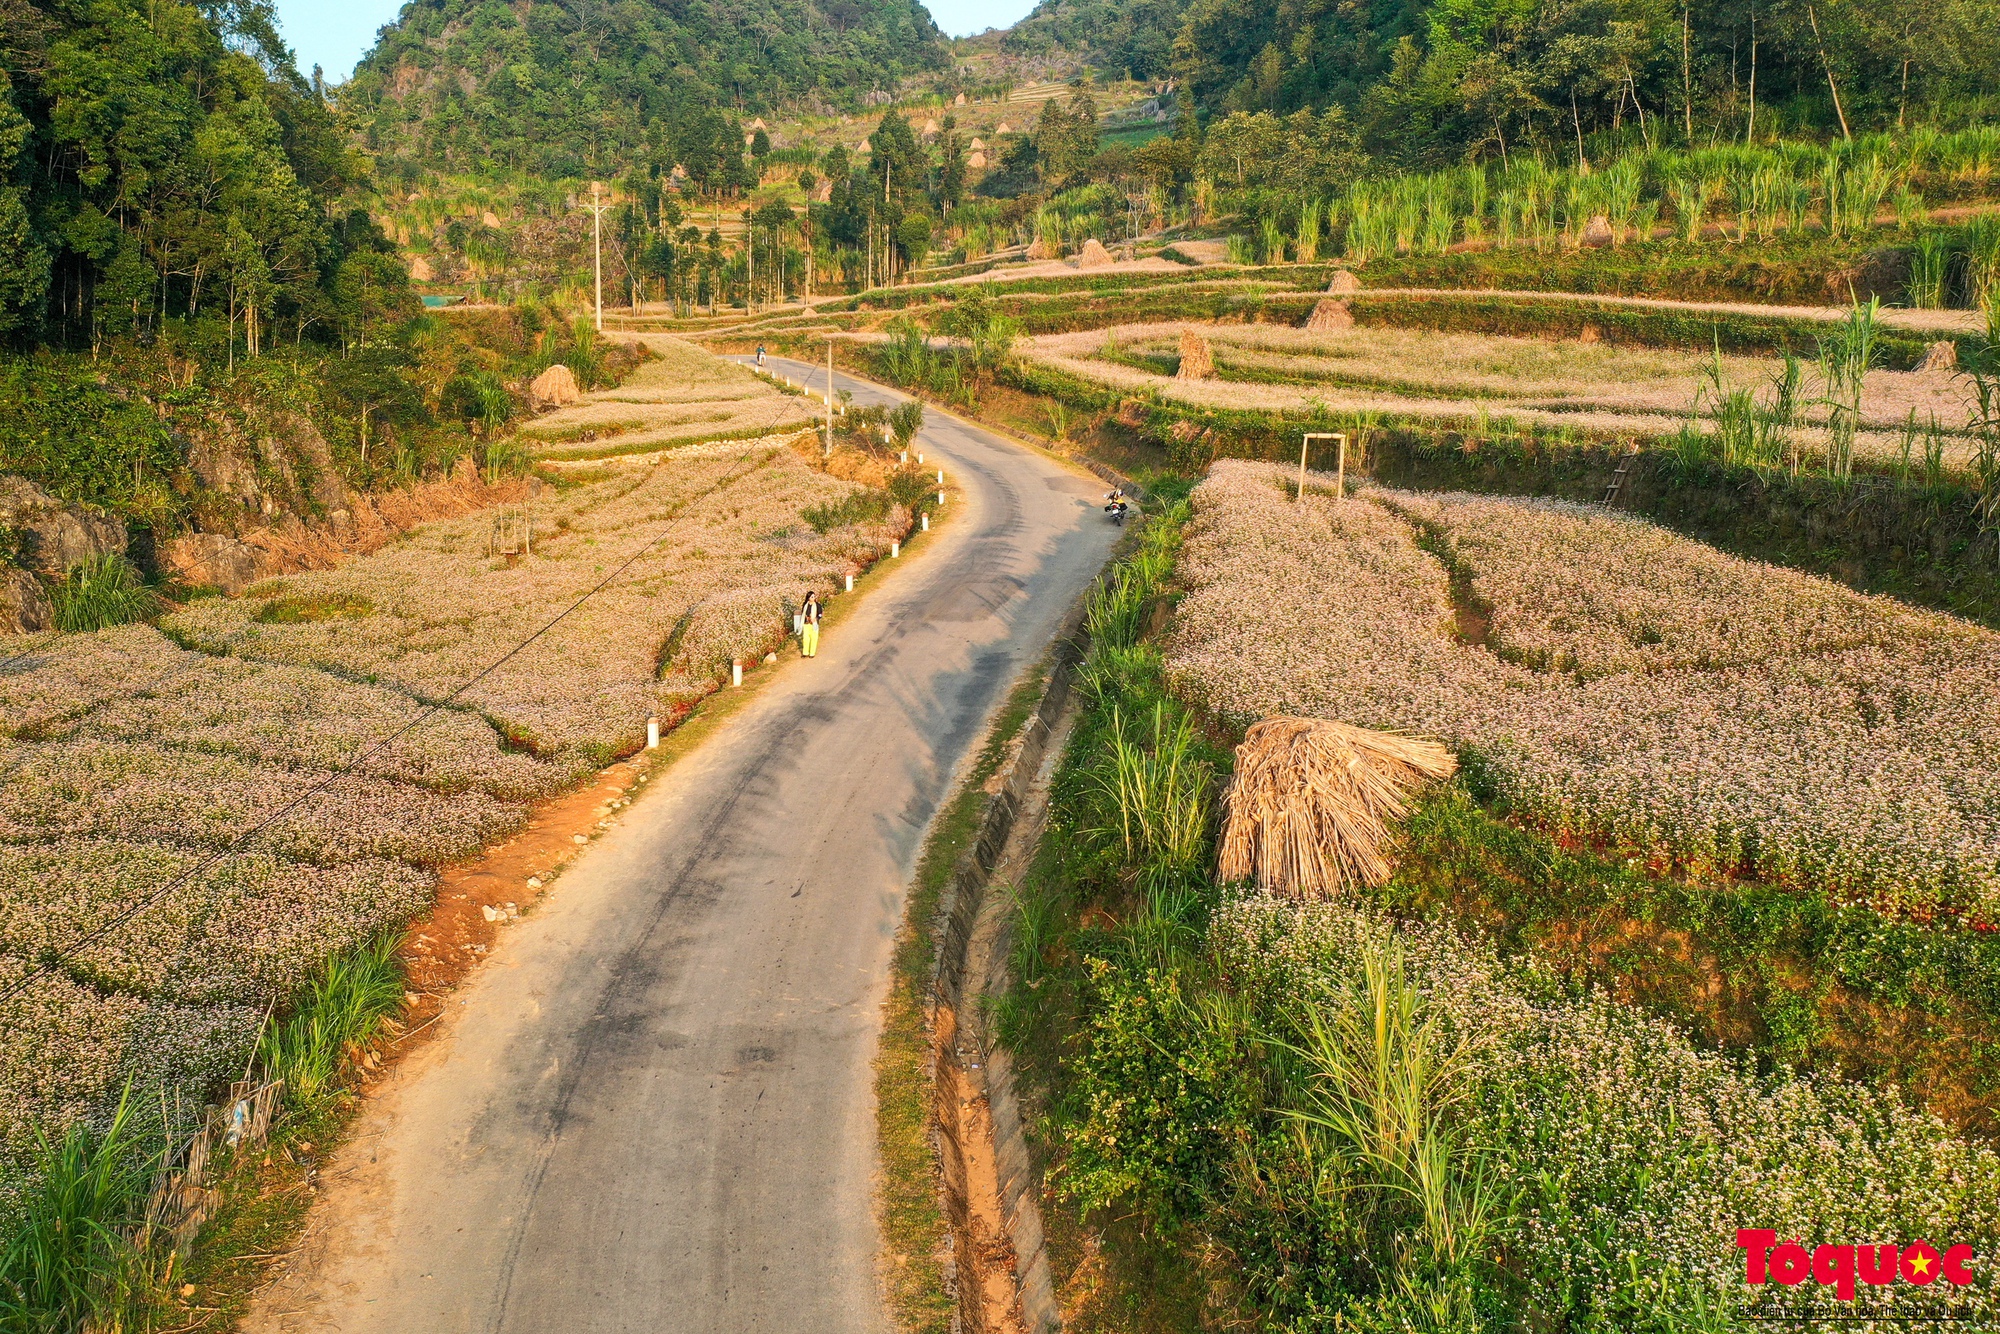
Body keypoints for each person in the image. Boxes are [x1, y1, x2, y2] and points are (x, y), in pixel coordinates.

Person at [800, 590, 822, 658]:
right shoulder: (805, 605)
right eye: (812, 597)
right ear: (808, 598)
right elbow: (803, 612)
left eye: (814, 596)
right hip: (806, 624)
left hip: (814, 624)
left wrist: (816, 618)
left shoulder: (818, 605)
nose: (813, 598)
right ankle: (805, 652)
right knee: (805, 638)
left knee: (814, 638)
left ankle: (812, 653)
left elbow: (820, 614)